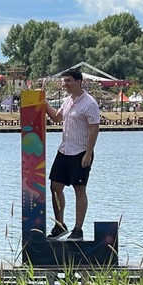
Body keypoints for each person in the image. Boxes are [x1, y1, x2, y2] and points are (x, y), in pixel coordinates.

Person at [44, 68, 101, 241]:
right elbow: (56, 118)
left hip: (81, 152)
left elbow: (94, 129)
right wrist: (42, 101)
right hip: (64, 150)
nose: (65, 84)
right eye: (64, 81)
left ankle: (78, 229)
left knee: (79, 190)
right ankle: (60, 225)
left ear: (78, 82)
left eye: (68, 81)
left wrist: (88, 153)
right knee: (55, 187)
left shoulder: (89, 104)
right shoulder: (67, 101)